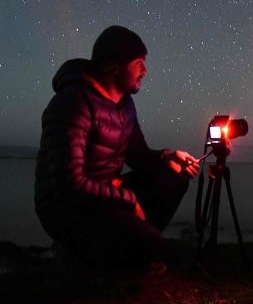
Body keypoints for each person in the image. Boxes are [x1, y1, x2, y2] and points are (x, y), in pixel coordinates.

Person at [34, 25, 200, 272]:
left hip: (106, 195)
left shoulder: (125, 105)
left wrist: (167, 157)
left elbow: (139, 156)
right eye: (138, 62)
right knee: (168, 252)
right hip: (65, 207)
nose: (145, 70)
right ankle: (79, 250)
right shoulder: (72, 103)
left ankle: (131, 249)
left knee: (174, 178)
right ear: (113, 65)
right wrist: (127, 198)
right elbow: (68, 184)